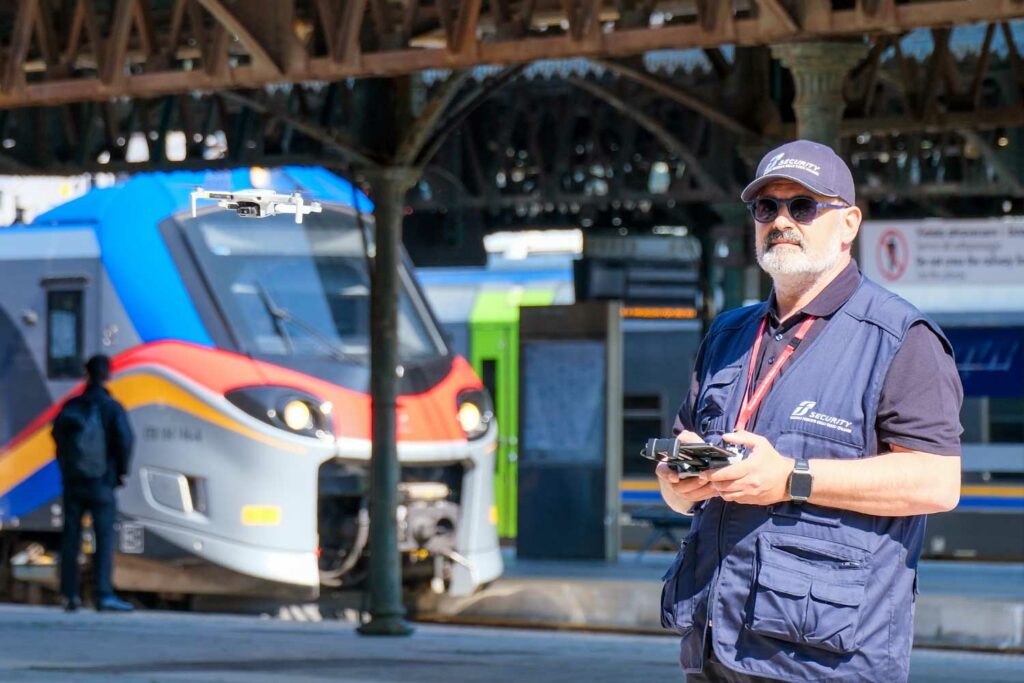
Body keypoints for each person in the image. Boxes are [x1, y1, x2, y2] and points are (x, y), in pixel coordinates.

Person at [657, 140, 962, 682]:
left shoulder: (900, 338)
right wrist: (679, 486)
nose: (781, 221)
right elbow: (681, 473)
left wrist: (791, 478)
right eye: (766, 207)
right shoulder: (728, 334)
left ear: (848, 224)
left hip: (824, 659)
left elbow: (937, 482)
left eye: (802, 206)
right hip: (714, 649)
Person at [52, 354, 135, 612]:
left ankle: (69, 594)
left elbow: (57, 437)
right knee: (104, 538)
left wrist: (67, 468)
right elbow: (125, 440)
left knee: (71, 538)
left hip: (73, 482)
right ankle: (103, 594)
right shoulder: (112, 408)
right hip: (102, 483)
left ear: (86, 374)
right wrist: (120, 473)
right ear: (107, 374)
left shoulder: (72, 406)